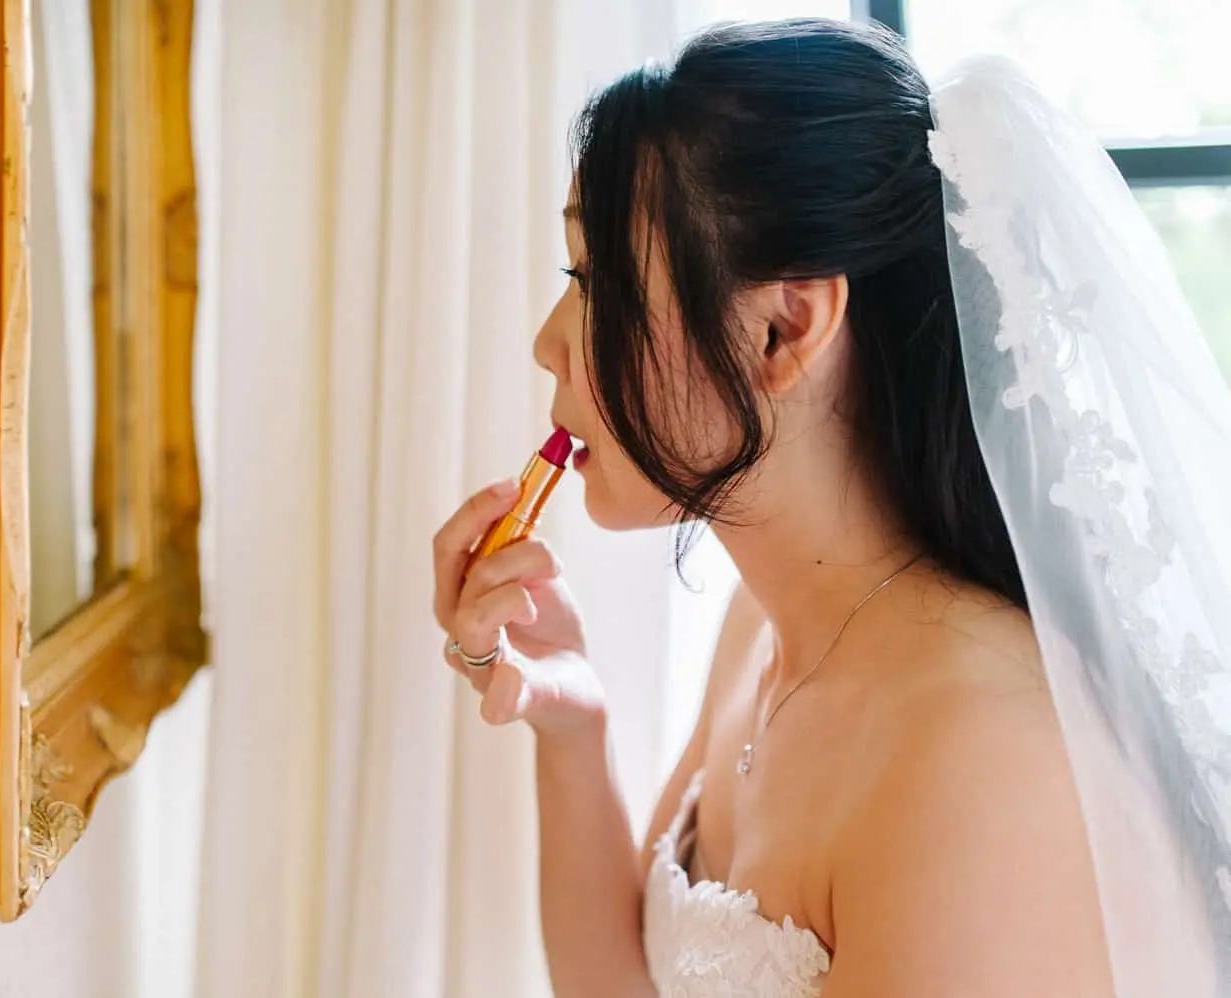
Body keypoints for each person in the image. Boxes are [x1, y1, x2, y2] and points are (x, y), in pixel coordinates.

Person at [431, 16, 1231, 998]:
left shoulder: (983, 760)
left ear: (784, 327)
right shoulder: (759, 627)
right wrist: (574, 729)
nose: (550, 343)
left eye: (594, 282)